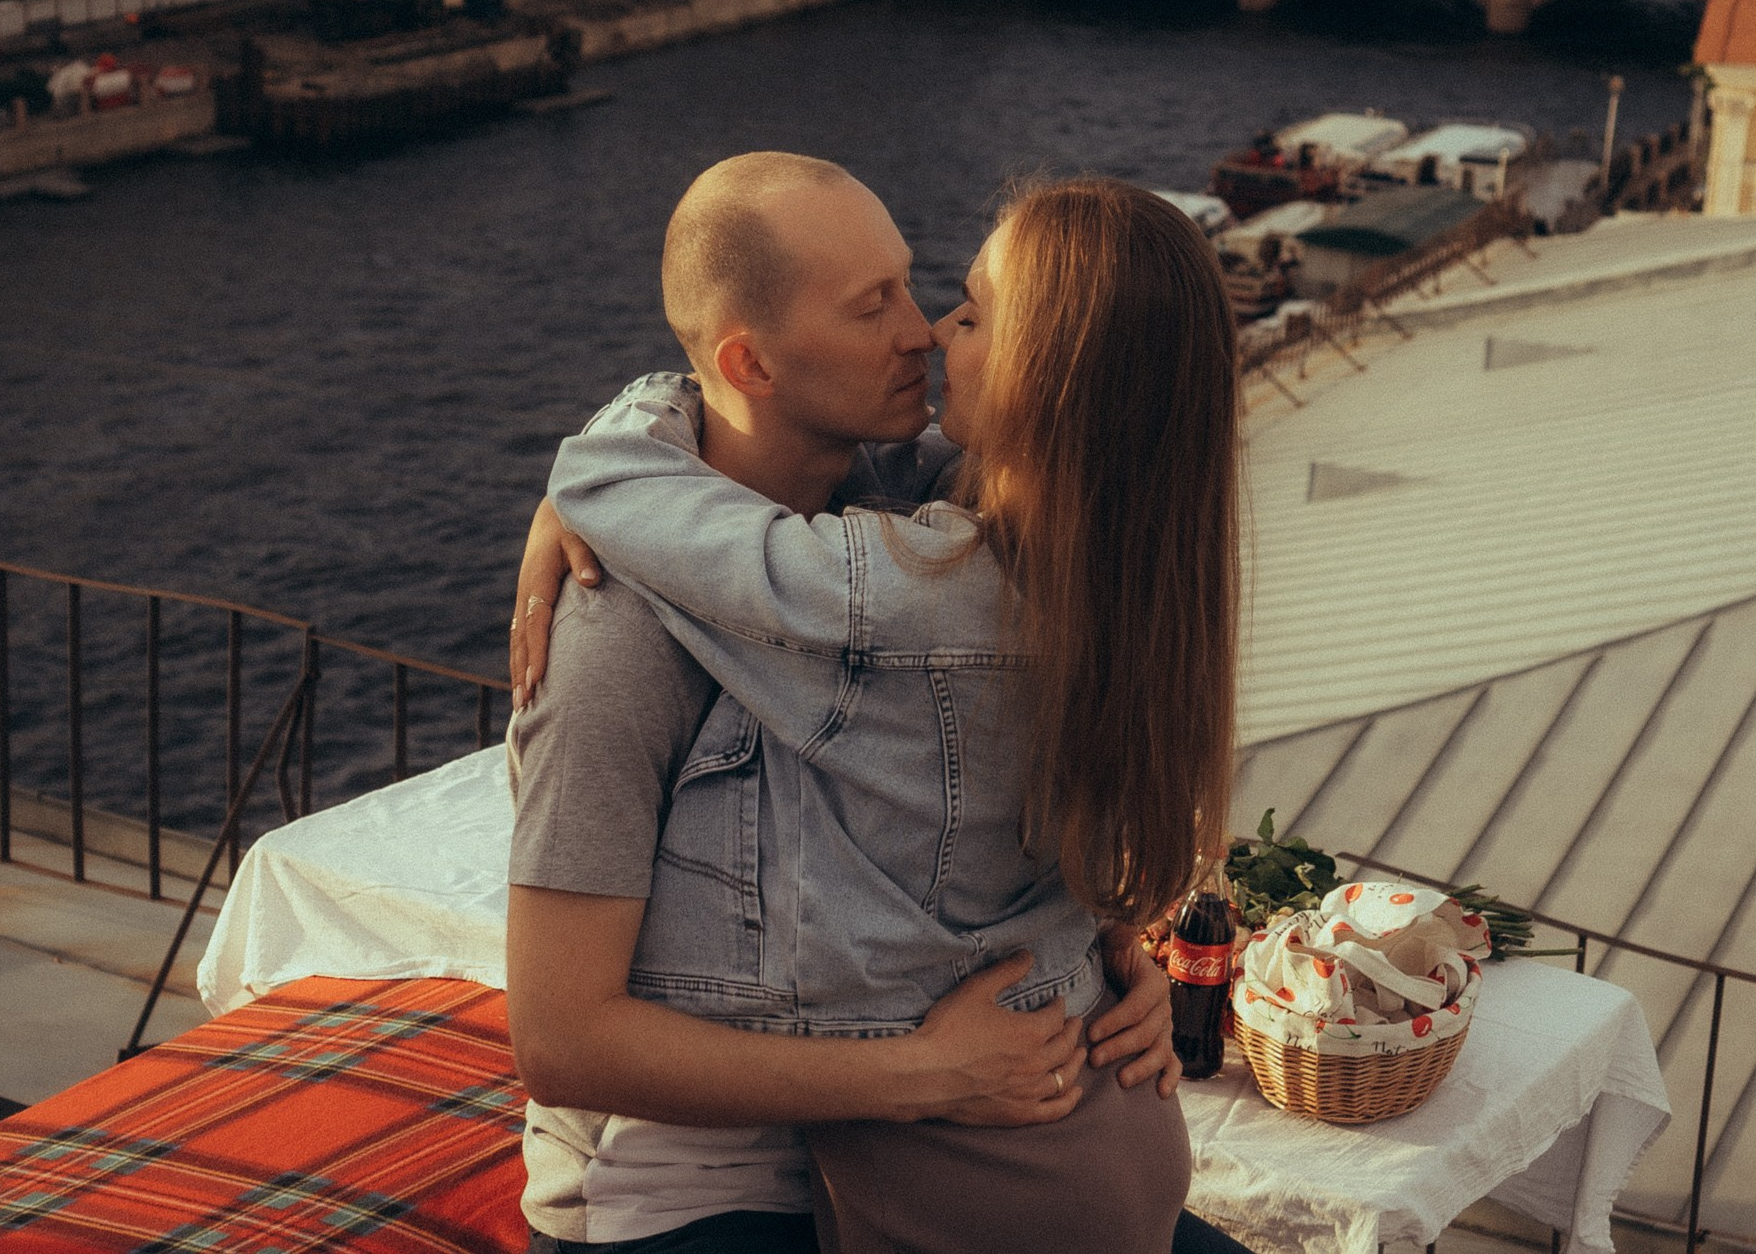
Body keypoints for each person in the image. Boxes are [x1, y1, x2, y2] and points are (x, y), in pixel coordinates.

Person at [512, 157, 1243, 1253]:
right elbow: (562, 1042)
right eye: (876, 305)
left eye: (928, 291)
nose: (925, 331)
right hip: (698, 1178)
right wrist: (919, 1075)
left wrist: (1105, 956)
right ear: (750, 361)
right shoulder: (619, 627)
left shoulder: (915, 517)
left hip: (935, 1151)